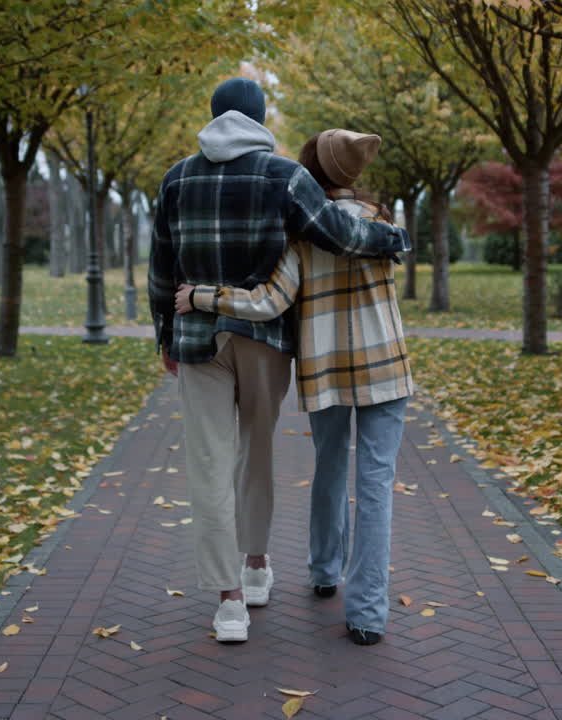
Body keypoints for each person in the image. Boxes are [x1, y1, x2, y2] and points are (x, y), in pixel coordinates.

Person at [148, 79, 408, 643]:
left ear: (214, 115)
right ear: (260, 118)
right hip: (264, 337)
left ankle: (229, 604)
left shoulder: (176, 178)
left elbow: (161, 266)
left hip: (195, 336)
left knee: (208, 464)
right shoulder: (284, 175)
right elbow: (338, 233)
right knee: (255, 453)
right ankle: (256, 564)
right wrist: (393, 239)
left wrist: (165, 334)